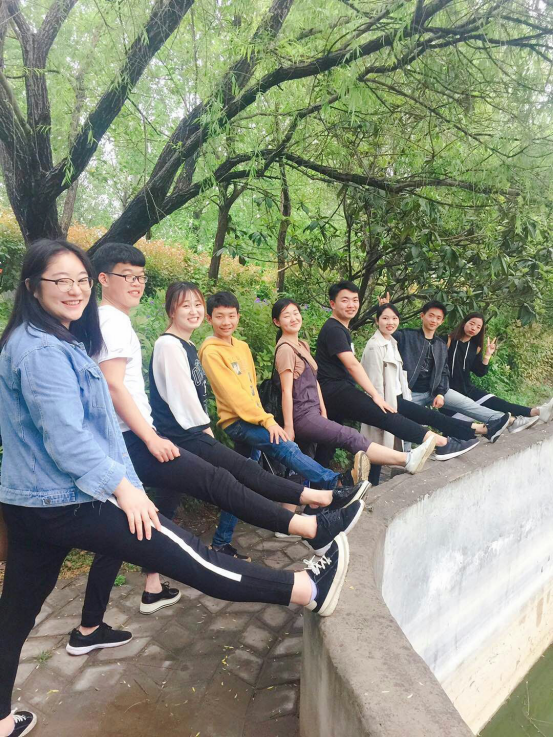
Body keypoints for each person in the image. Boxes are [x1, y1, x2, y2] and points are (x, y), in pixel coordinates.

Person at [0, 240, 351, 738]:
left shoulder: (44, 338)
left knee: (14, 614)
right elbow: (68, 438)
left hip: (34, 502)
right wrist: (125, 489)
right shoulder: (42, 351)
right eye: (61, 281)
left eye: (80, 279)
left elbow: (83, 429)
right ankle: (308, 589)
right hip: (71, 500)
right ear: (33, 287)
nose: (75, 290)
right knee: (190, 554)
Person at [77, 243, 363, 644]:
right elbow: (115, 388)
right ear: (104, 279)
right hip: (155, 438)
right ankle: (316, 513)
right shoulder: (122, 325)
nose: (137, 283)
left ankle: (98, 622)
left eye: (142, 277)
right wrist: (155, 437)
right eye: (129, 276)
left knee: (136, 523)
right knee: (224, 481)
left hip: (141, 439)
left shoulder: (117, 323)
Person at [149, 282, 364, 558]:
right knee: (284, 448)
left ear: (238, 316)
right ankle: (333, 484)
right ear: (209, 319)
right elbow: (231, 396)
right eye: (219, 316)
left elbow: (250, 389)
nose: (226, 321)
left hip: (242, 422)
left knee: (237, 481)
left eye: (231, 315)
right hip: (235, 423)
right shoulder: (206, 350)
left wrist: (263, 417)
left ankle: (220, 542)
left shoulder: (235, 346)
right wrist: (266, 422)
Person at [271, 297, 440, 480]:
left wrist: (323, 411)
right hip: (302, 415)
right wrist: (289, 427)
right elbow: (286, 391)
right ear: (277, 322)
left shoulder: (301, 345)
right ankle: (406, 459)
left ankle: (323, 492)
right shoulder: (285, 349)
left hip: (314, 412)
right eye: (287, 315)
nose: (294, 318)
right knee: (349, 435)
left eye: (296, 313)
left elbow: (315, 381)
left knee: (323, 451)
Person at [314, 281, 475, 471]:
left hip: (334, 390)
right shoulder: (334, 329)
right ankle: (442, 444)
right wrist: (375, 396)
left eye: (355, 300)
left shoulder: (340, 329)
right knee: (384, 415)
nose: (351, 305)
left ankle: (318, 482)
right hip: (335, 390)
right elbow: (352, 365)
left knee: (329, 441)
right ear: (332, 304)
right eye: (345, 300)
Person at [360, 302, 483, 461]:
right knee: (419, 423)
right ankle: (458, 437)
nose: (390, 322)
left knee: (425, 420)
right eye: (385, 318)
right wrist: (380, 401)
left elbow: (441, 371)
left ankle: (466, 434)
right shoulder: (379, 345)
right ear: (377, 321)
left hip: (399, 396)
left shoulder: (392, 343)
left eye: (394, 318)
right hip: (387, 401)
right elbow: (373, 381)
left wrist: (439, 392)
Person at [390, 299, 511, 442]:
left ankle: (500, 421)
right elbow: (386, 336)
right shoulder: (406, 336)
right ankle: (407, 451)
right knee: (406, 429)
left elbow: (443, 372)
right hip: (410, 394)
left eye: (438, 318)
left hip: (434, 391)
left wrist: (440, 393)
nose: (434, 320)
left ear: (441, 321)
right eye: (431, 316)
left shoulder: (440, 345)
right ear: (422, 316)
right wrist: (386, 313)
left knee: (468, 404)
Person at [447, 312, 553, 431]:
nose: (473, 328)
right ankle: (515, 422)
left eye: (478, 327)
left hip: (467, 389)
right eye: (471, 323)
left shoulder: (475, 347)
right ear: (464, 323)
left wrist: (488, 354)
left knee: (499, 403)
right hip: (448, 391)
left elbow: (480, 372)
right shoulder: (448, 340)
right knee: (460, 427)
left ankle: (537, 412)